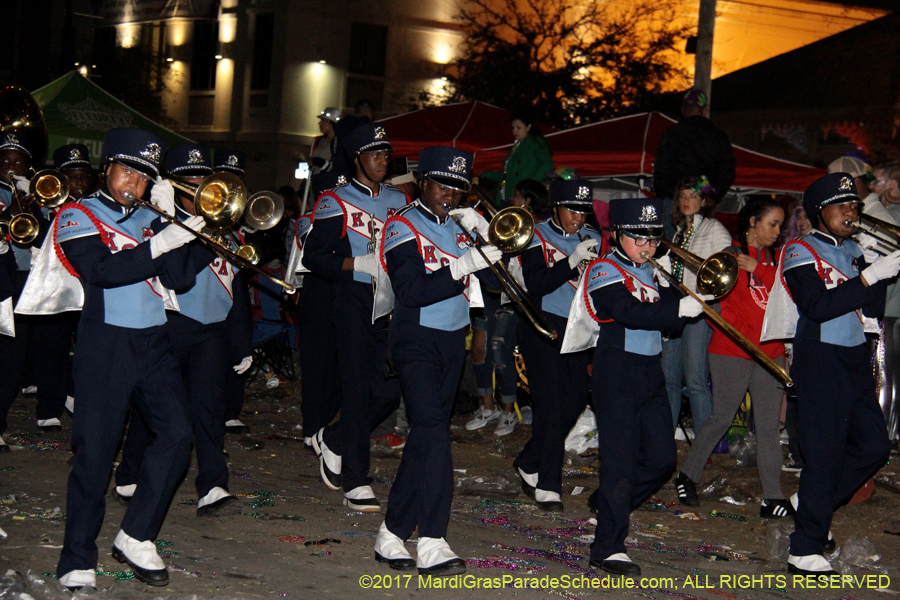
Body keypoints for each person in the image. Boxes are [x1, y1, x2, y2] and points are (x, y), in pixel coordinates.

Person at [54, 128, 204, 589]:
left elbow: (179, 279)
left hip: (153, 342)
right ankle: (77, 556)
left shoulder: (150, 216)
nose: (133, 184)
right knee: (95, 456)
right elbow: (101, 270)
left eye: (143, 178)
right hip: (106, 345)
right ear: (107, 169)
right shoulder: (77, 214)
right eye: (127, 172)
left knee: (178, 435)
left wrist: (176, 219)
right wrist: (158, 242)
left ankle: (136, 534)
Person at [374, 146, 500, 576]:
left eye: (457, 188)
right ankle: (431, 537)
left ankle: (391, 531)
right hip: (414, 339)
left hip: (452, 342)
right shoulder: (401, 224)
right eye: (442, 184)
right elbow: (411, 291)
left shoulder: (462, 228)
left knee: (427, 436)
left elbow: (498, 284)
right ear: (421, 182)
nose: (449, 194)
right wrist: (462, 264)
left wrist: (491, 241)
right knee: (431, 429)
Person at [113, 143, 252, 516]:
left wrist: (242, 343)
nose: (198, 187)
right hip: (170, 324)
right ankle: (130, 471)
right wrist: (203, 236)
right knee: (156, 409)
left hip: (212, 329)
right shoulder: (156, 224)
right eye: (188, 181)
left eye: (203, 179)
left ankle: (213, 485)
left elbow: (237, 289)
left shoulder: (224, 228)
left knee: (208, 406)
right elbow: (180, 275)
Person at [573, 197, 707, 577]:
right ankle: (607, 547)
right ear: (616, 235)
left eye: (653, 238)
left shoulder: (651, 270)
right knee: (620, 463)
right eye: (638, 238)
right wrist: (676, 308)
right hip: (616, 371)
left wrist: (672, 290)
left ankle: (608, 503)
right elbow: (627, 312)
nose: (647, 247)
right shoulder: (603, 268)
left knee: (663, 458)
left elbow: (673, 325)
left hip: (650, 370)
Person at [775, 172, 896, 576]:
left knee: (875, 445)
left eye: (854, 204)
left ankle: (811, 503)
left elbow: (873, 308)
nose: (851, 211)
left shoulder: (856, 250)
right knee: (824, 455)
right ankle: (803, 548)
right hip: (820, 357)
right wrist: (870, 275)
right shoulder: (798, 249)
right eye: (841, 205)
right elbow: (817, 306)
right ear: (819, 213)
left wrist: (877, 266)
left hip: (854, 357)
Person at [303, 122, 407, 511]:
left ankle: (334, 440)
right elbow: (314, 257)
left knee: (391, 389)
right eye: (375, 154)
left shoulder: (400, 199)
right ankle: (355, 480)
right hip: (353, 300)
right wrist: (354, 263)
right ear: (357, 158)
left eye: (385, 154)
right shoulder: (335, 201)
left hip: (393, 303)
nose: (383, 160)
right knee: (358, 389)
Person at [674, 198, 793, 518]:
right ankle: (687, 475)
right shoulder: (728, 257)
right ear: (753, 222)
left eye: (781, 225)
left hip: (771, 352)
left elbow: (787, 291)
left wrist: (760, 269)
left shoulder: (775, 259)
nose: (777, 231)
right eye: (772, 224)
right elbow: (713, 305)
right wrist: (745, 334)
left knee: (768, 428)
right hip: (732, 350)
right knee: (722, 418)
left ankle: (773, 496)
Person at [513, 179, 602, 511]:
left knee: (575, 400)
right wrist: (569, 261)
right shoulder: (536, 234)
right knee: (550, 405)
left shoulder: (592, 236)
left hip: (578, 326)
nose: (577, 219)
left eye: (582, 212)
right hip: (543, 323)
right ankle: (548, 484)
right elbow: (536, 282)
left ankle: (529, 458)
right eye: (571, 211)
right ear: (556, 208)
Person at [466, 179, 548, 435]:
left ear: (527, 202)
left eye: (515, 196)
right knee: (479, 349)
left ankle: (509, 412)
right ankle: (487, 406)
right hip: (489, 293)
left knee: (499, 349)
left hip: (513, 296)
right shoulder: (505, 218)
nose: (510, 199)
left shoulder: (539, 229)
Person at [661, 175, 732, 435]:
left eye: (692, 195)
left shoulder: (713, 228)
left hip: (700, 311)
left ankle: (705, 445)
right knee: (669, 380)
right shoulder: (678, 233)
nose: (686, 201)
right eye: (682, 196)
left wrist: (705, 299)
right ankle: (666, 438)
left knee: (696, 381)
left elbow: (726, 269)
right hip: (676, 310)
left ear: (703, 200)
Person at [0, 131, 56, 446]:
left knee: (12, 358)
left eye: (18, 161)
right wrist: (12, 211)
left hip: (24, 280)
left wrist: (33, 207)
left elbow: (43, 239)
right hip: (0, 279)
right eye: (5, 160)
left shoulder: (33, 197)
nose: (11, 166)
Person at [653, 88, 735, 239]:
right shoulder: (718, 136)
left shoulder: (672, 134)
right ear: (704, 110)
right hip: (702, 198)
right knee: (700, 242)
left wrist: (669, 194)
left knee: (673, 245)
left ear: (683, 110)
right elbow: (727, 172)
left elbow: (661, 168)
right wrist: (711, 195)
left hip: (675, 200)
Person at [480, 114, 553, 207]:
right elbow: (506, 175)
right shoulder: (517, 146)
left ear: (528, 127)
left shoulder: (534, 143)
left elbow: (547, 164)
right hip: (506, 196)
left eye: (518, 128)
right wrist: (486, 174)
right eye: (513, 128)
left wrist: (527, 186)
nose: (514, 131)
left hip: (519, 197)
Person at [312, 107, 341, 175]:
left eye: (323, 121)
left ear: (332, 124)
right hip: (317, 181)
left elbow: (337, 167)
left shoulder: (338, 143)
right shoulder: (320, 141)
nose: (320, 123)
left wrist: (319, 162)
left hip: (328, 182)